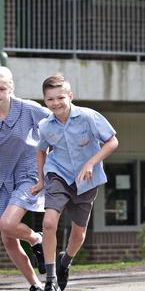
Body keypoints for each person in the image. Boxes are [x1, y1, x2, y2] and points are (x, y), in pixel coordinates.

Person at [31, 74, 119, 291]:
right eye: (50, 99)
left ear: (70, 96)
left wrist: (91, 163)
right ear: (45, 101)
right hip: (58, 174)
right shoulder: (45, 126)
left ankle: (65, 262)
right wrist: (42, 179)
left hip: (86, 180)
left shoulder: (89, 117)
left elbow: (112, 141)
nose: (56, 103)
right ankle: (50, 280)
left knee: (78, 234)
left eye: (60, 97)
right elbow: (41, 150)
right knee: (49, 222)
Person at [0, 66, 49, 291]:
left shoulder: (27, 109)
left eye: (1, 88)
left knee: (8, 224)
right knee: (8, 237)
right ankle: (35, 285)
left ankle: (36, 239)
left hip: (28, 175)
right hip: (2, 180)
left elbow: (57, 122)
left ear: (11, 88)